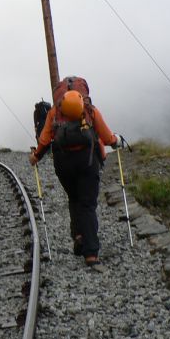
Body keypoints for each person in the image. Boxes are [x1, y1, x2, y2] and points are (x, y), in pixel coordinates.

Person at [29, 76, 120, 270]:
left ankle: (78, 235)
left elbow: (44, 141)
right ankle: (91, 253)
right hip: (88, 161)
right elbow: (107, 137)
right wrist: (116, 141)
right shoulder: (89, 111)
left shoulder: (55, 112)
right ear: (82, 93)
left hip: (63, 163)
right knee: (87, 204)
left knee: (74, 198)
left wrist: (35, 157)